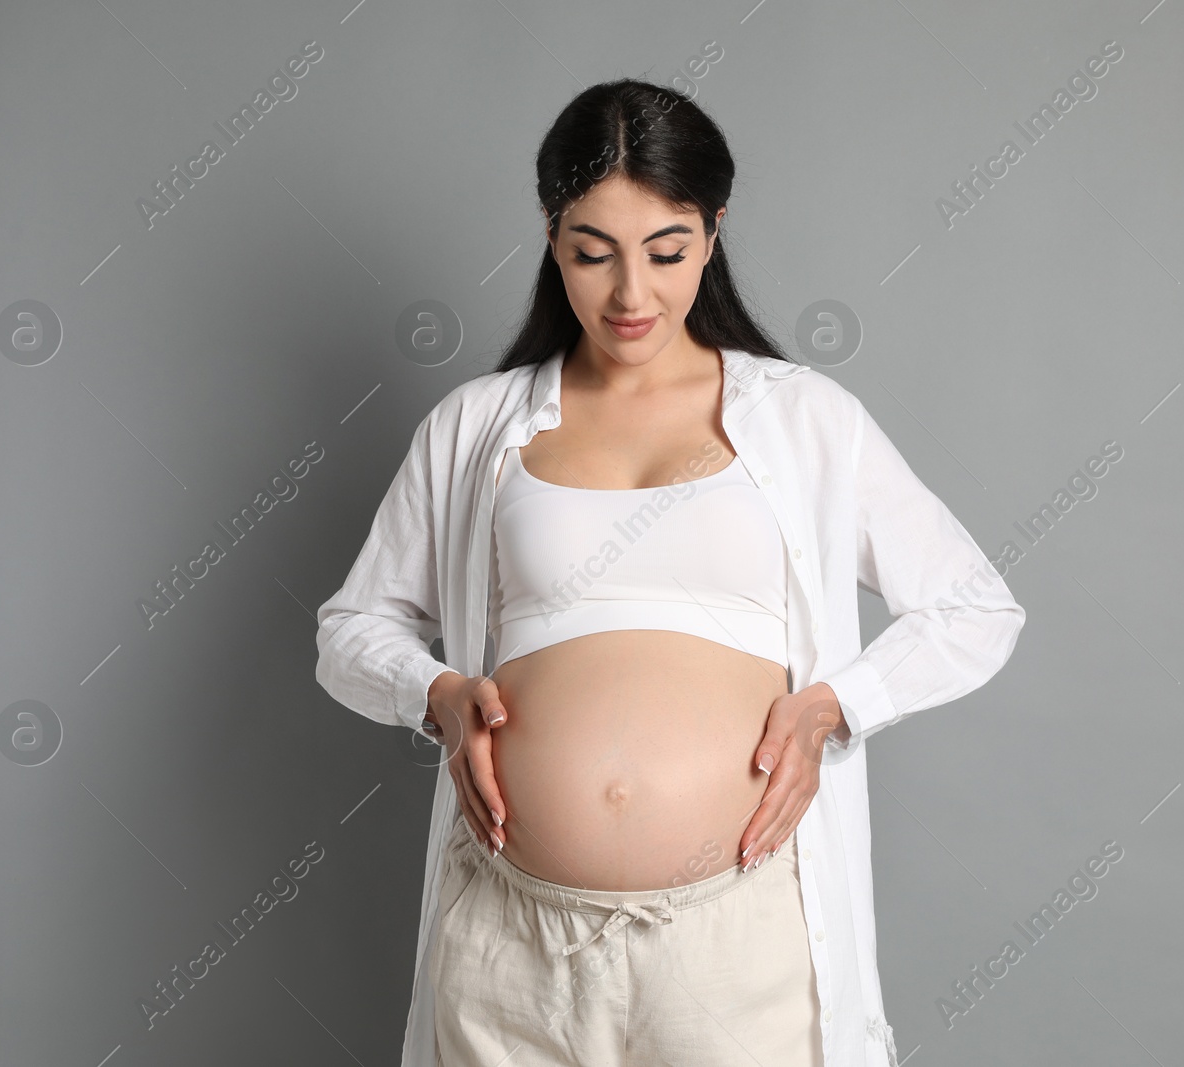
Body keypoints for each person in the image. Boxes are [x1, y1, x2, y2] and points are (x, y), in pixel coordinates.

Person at [314, 78, 1026, 1067]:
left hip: (739, 952)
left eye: (667, 251)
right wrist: (437, 692)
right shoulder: (475, 427)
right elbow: (351, 629)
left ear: (713, 229)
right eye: (590, 253)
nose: (630, 295)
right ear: (552, 235)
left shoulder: (802, 418)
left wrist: (836, 705)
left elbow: (973, 606)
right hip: (511, 955)